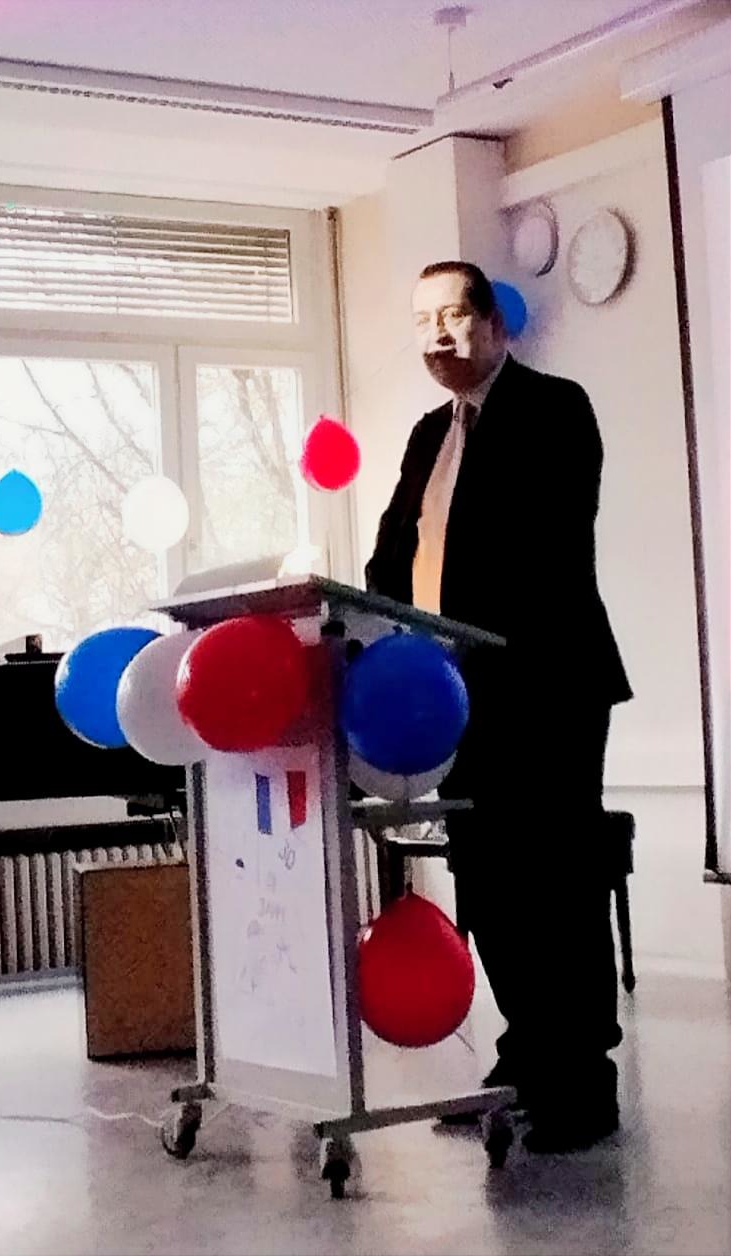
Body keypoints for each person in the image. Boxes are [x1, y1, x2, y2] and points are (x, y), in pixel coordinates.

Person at [366, 261, 632, 1152]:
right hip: (449, 701)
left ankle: (581, 1083)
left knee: (553, 883)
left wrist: (452, 637)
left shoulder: (555, 408)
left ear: (495, 324)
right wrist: (371, 628)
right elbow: (391, 555)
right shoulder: (423, 435)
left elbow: (545, 547)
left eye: (452, 314)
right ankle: (523, 1059)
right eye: (421, 321)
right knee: (487, 883)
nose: (436, 334)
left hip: (544, 689)